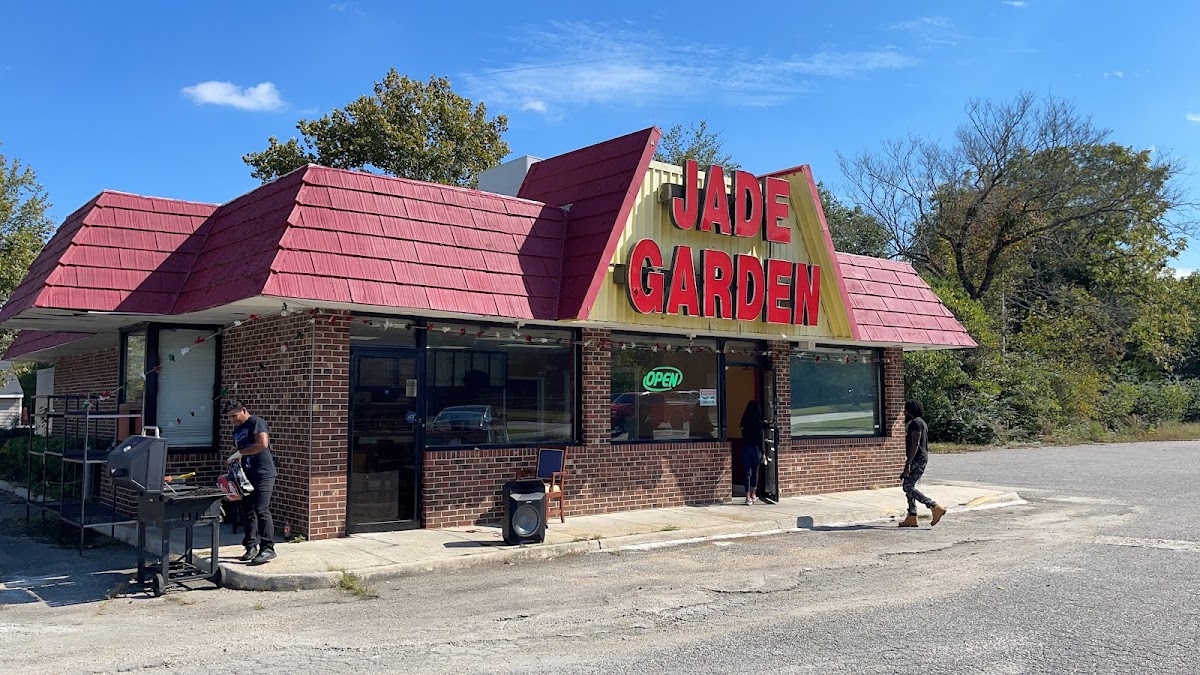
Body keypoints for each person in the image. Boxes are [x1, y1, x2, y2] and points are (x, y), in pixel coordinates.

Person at [223, 400, 277, 564]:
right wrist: (234, 454)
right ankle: (250, 546)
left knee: (261, 509)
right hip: (246, 475)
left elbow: (262, 443)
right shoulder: (237, 430)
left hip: (263, 474)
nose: (233, 420)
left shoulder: (256, 422)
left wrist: (240, 452)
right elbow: (238, 448)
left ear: (244, 410)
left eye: (234, 416)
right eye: (229, 418)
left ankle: (268, 548)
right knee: (248, 511)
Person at [899, 400, 947, 528]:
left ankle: (934, 506)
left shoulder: (916, 423)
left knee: (908, 487)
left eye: (906, 410)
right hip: (919, 458)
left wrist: (908, 463)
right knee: (908, 485)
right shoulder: (920, 422)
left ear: (911, 411)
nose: (904, 413)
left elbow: (916, 443)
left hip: (917, 459)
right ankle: (912, 516)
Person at [740, 400, 766, 505]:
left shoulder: (744, 421)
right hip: (756, 449)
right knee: (755, 473)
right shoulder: (759, 423)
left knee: (747, 473)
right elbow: (761, 439)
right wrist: (763, 453)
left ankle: (747, 497)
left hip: (746, 448)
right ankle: (753, 494)